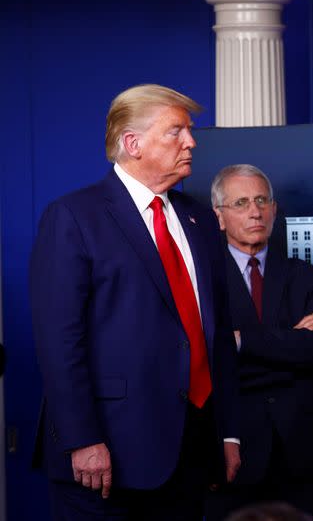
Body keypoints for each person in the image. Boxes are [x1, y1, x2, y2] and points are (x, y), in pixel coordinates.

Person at [29, 84, 240, 520]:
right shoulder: (74, 216)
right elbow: (59, 340)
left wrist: (228, 433)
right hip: (107, 454)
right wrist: (81, 439)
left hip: (192, 450)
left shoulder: (199, 219)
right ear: (132, 143)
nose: (191, 142)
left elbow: (213, 333)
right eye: (176, 131)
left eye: (189, 131)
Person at [204, 164, 313, 521]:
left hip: (301, 449)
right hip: (234, 446)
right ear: (219, 216)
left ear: (274, 209)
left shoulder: (306, 277)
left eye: (262, 200)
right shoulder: (203, 281)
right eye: (241, 202)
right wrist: (288, 343)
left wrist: (241, 341)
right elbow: (209, 355)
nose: (255, 211)